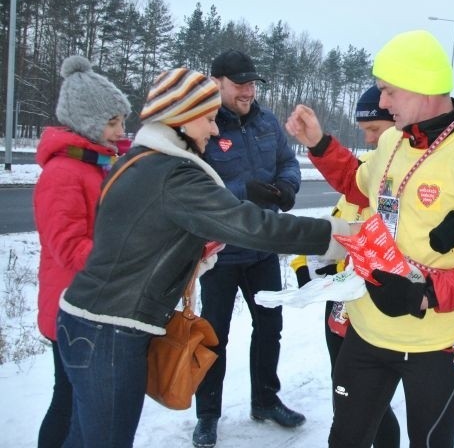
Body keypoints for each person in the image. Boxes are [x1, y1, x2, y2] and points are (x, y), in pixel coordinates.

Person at [56, 67, 351, 448]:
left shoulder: (138, 161)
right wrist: (337, 236)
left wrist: (194, 250)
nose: (214, 130)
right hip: (109, 331)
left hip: (88, 321)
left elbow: (138, 240)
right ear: (180, 118)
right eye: (209, 119)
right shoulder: (174, 174)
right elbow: (253, 225)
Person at [285, 29, 454, 448]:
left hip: (437, 341)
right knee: (346, 439)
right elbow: (359, 186)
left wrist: (423, 295)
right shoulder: (395, 139)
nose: (381, 103)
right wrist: (318, 143)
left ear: (423, 87)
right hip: (367, 329)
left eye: (388, 91)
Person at [193, 49, 303, 448]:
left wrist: (288, 186)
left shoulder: (266, 120)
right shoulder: (202, 123)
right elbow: (195, 189)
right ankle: (207, 415)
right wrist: (243, 192)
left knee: (270, 327)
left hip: (262, 248)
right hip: (220, 252)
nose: (248, 91)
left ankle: (266, 401)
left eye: (252, 83)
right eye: (240, 84)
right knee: (213, 335)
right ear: (217, 82)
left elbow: (288, 162)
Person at [290, 84, 401, 448]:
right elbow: (338, 222)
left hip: (377, 308)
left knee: (371, 403)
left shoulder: (400, 178)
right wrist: (305, 268)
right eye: (365, 131)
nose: (369, 141)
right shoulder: (363, 170)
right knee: (344, 392)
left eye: (375, 131)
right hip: (340, 305)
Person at [33, 55, 132, 448]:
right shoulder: (64, 173)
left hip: (90, 301)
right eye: (113, 122)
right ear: (87, 123)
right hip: (70, 306)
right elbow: (68, 246)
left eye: (121, 120)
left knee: (76, 398)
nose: (121, 130)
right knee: (70, 398)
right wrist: (126, 258)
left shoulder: (96, 165)